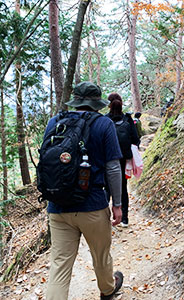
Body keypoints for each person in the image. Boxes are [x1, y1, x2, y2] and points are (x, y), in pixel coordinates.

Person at [44, 82, 124, 300]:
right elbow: (113, 168)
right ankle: (107, 290)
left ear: (76, 101)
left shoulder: (54, 122)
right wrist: (117, 204)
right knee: (100, 255)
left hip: (58, 207)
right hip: (93, 206)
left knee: (59, 266)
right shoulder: (103, 124)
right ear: (96, 103)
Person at [106, 92, 140, 227]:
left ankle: (106, 219)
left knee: (107, 188)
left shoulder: (104, 120)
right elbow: (136, 140)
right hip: (123, 159)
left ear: (109, 105)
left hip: (107, 159)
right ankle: (124, 219)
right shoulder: (127, 119)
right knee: (122, 188)